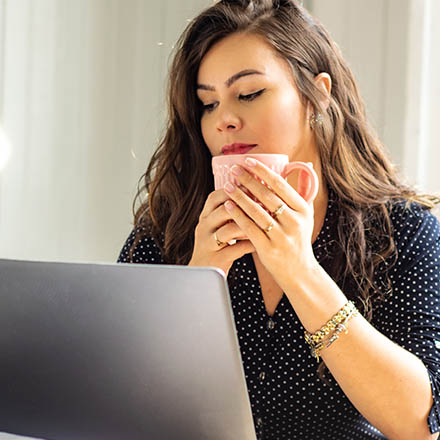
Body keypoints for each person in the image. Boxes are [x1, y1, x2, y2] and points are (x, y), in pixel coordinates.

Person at [117, 1, 440, 438]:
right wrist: (196, 283)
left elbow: (419, 424)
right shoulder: (166, 229)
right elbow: (121, 403)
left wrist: (300, 272)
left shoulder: (405, 233)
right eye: (208, 103)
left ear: (317, 94)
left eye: (249, 93)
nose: (224, 121)